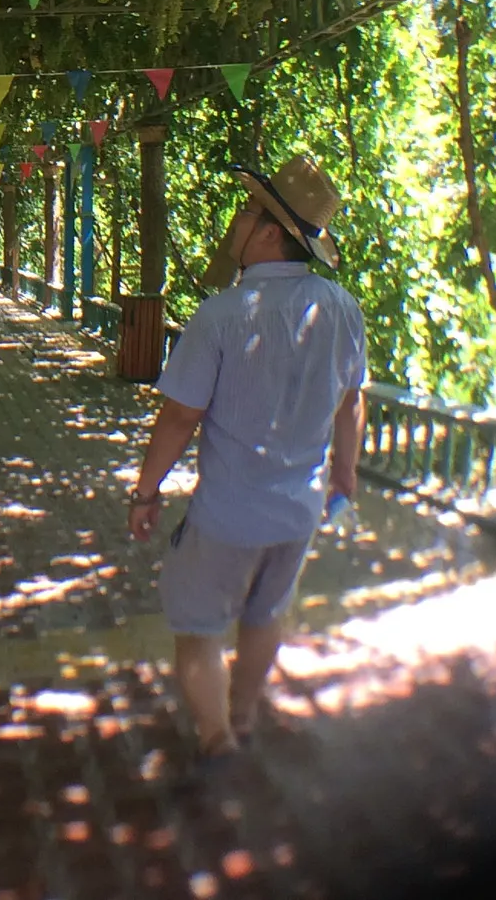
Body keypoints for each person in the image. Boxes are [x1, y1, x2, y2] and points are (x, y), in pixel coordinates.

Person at [126, 156, 365, 762]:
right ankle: (243, 717)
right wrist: (344, 478)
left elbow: (180, 417)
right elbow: (350, 402)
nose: (237, 222)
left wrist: (146, 493)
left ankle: (217, 737)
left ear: (266, 233)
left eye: (248, 212)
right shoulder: (340, 308)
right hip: (300, 511)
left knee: (200, 628)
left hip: (228, 514)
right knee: (267, 614)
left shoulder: (220, 317)